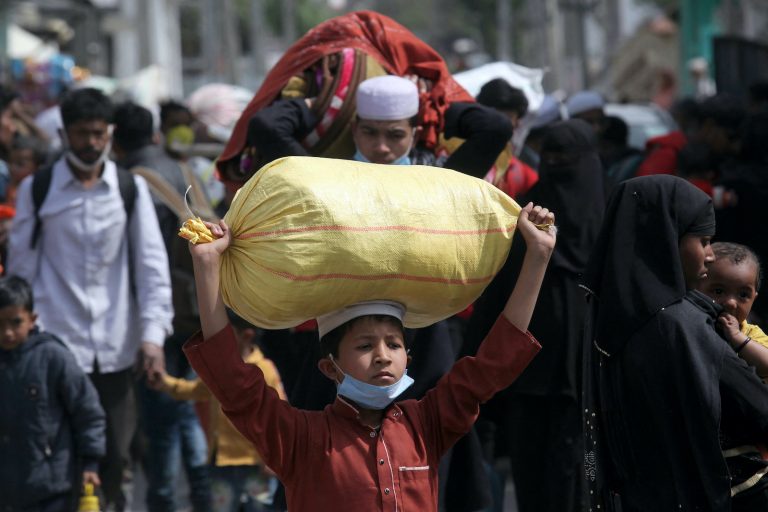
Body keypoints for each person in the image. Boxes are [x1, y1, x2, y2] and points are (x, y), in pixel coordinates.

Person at [182, 199, 554, 511]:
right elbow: (234, 385)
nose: (382, 356)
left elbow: (491, 366)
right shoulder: (300, 438)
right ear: (330, 368)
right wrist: (207, 266)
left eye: (393, 345)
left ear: (408, 356)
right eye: (364, 346)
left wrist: (537, 256)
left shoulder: (425, 425)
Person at [6, 87, 173, 511]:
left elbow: (152, 268)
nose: (92, 143)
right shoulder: (38, 189)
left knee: (114, 461)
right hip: (52, 350)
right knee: (54, 464)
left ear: (110, 133)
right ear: (64, 134)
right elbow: (22, 270)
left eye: (99, 134)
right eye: (83, 134)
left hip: (116, 355)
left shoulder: (129, 188)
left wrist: (153, 338)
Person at [581, 175, 768, 511]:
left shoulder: (602, 315)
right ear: (667, 238)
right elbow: (759, 409)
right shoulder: (685, 325)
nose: (710, 256)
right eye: (703, 240)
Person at [466, 119, 604, 512]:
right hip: (528, 381)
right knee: (534, 483)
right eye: (551, 159)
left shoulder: (611, 222)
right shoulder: (527, 221)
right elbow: (497, 297)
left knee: (584, 475)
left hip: (588, 387)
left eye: (568, 160)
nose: (559, 169)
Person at [112, 100, 213, 511]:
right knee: (187, 407)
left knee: (160, 417)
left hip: (155, 314)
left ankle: (164, 501)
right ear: (154, 134)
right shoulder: (185, 170)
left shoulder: (127, 181)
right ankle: (203, 499)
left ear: (114, 140)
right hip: (201, 307)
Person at [246, 74, 512, 178]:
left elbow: (496, 127)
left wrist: (431, 106)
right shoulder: (328, 180)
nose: (381, 147)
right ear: (354, 130)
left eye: (395, 134)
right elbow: (265, 125)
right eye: (369, 132)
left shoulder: (442, 179)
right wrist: (327, 103)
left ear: (415, 133)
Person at [153, 309, 287, 512]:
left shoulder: (265, 370)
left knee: (259, 509)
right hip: (222, 461)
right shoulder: (221, 369)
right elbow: (195, 390)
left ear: (246, 335)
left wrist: (274, 457)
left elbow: (280, 415)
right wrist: (165, 384)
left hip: (255, 461)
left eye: (226, 334)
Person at [0, 275, 106, 511]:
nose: (7, 332)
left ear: (32, 319)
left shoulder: (53, 357)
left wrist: (90, 463)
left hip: (53, 485)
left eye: (15, 322)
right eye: (0, 325)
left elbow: (87, 412)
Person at [698, 242, 768, 377]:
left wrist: (737, 337)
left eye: (743, 295)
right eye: (718, 291)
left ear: (754, 299)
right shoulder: (690, 325)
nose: (731, 303)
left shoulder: (750, 333)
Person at [476, 78, 539, 199]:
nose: (517, 124)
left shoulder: (520, 171)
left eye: (516, 118)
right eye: (509, 117)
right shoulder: (452, 152)